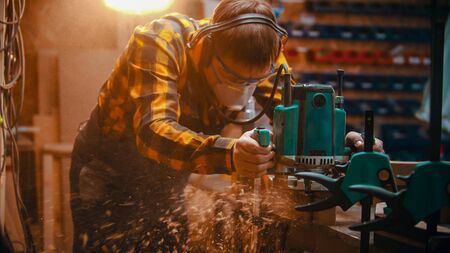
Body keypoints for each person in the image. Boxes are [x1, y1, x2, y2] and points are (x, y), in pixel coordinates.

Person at [70, 0, 384, 252]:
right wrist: (231, 155)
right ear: (204, 47)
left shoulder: (269, 58)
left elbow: (298, 113)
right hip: (110, 170)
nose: (245, 89)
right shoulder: (161, 41)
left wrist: (343, 139)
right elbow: (153, 132)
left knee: (167, 243)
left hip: (168, 177)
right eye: (234, 78)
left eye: (254, 81)